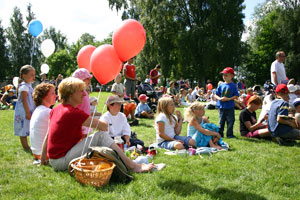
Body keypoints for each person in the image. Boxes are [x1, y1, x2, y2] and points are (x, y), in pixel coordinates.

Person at [40, 77, 154, 172]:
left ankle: (129, 164)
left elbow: (48, 135)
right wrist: (107, 117)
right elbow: (103, 126)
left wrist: (43, 159)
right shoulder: (72, 112)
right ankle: (133, 166)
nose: (84, 95)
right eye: (80, 91)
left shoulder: (56, 109)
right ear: (70, 94)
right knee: (100, 136)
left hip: (54, 160)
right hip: (62, 161)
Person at [30, 83, 56, 161]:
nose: (56, 95)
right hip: (44, 154)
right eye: (52, 93)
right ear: (44, 96)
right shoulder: (47, 112)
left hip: (36, 152)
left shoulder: (38, 110)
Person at [14, 65, 36, 151]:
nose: (33, 77)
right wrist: (27, 112)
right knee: (23, 128)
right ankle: (25, 146)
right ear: (24, 75)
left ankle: (29, 145)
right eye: (31, 75)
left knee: (29, 127)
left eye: (34, 75)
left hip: (29, 110)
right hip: (24, 111)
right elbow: (24, 100)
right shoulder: (24, 87)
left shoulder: (29, 86)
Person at [215, 67, 239, 138]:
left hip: (230, 106)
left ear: (231, 76)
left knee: (230, 121)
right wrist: (220, 98)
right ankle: (220, 134)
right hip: (222, 107)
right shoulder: (221, 85)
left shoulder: (233, 86)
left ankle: (229, 134)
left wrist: (229, 99)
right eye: (223, 75)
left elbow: (236, 96)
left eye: (226, 75)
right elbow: (216, 94)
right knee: (221, 121)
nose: (224, 77)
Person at [72, 68, 95, 136]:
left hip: (86, 121)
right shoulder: (76, 93)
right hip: (80, 123)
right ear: (80, 80)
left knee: (85, 141)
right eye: (87, 78)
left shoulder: (84, 92)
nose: (89, 80)